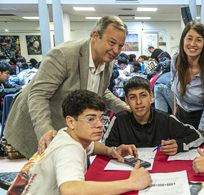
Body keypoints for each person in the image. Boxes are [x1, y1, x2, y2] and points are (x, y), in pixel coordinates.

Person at [4, 16, 129, 159]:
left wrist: (125, 108)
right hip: (40, 124)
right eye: (112, 42)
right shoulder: (64, 55)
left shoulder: (108, 61)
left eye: (120, 45)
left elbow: (99, 91)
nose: (116, 50)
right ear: (95, 36)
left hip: (71, 132)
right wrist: (45, 129)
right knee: (45, 175)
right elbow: (39, 94)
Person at [7, 90, 151, 195]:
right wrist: (131, 183)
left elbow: (92, 146)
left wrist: (110, 151)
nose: (99, 124)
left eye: (101, 118)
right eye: (91, 119)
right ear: (71, 121)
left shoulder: (67, 134)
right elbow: (70, 191)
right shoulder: (69, 149)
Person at [105, 76, 203, 155]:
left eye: (143, 95)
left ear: (151, 97)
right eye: (132, 97)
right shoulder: (119, 120)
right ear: (126, 101)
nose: (138, 102)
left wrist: (179, 145)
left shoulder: (165, 119)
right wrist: (115, 150)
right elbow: (105, 147)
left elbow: (198, 136)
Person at [171, 21, 204, 142]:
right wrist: (174, 115)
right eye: (189, 38)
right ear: (183, 40)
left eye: (198, 40)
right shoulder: (176, 60)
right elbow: (174, 86)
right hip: (182, 117)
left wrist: (198, 135)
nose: (192, 44)